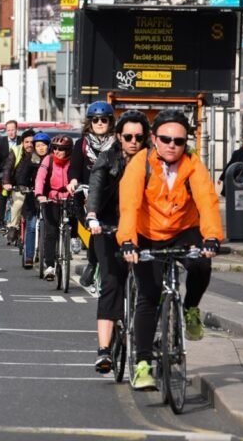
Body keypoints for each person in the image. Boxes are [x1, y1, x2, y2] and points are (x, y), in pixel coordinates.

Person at [117, 109, 223, 390]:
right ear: (154, 139)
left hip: (183, 230)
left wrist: (211, 237)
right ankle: (142, 366)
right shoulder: (140, 164)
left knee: (201, 263)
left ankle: (190, 309)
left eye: (179, 140)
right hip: (146, 233)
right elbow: (129, 204)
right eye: (166, 139)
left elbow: (207, 201)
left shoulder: (193, 164)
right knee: (149, 296)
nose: (172, 145)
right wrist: (128, 241)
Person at [84, 110, 151, 373]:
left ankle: (151, 337)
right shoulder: (107, 158)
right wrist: (92, 215)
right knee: (112, 282)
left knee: (150, 283)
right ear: (119, 137)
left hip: (142, 228)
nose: (133, 141)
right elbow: (97, 185)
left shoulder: (153, 161)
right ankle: (104, 350)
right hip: (108, 225)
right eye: (128, 136)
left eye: (139, 136)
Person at [68, 101, 116, 285]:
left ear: (110, 122)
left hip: (110, 195)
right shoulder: (81, 144)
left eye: (104, 120)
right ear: (90, 122)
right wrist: (73, 181)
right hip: (87, 194)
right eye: (95, 120)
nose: (100, 123)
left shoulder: (117, 145)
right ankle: (92, 262)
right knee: (96, 230)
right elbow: (74, 168)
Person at [35, 134, 75, 281]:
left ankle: (73, 241)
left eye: (62, 149)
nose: (57, 151)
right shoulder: (48, 159)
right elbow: (40, 177)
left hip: (69, 196)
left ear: (68, 150)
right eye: (55, 148)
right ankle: (50, 266)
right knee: (51, 232)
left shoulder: (72, 161)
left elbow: (79, 175)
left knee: (75, 220)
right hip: (51, 198)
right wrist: (40, 194)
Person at [15, 131, 51, 263]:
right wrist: (23, 187)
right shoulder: (30, 160)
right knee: (31, 226)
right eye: (38, 145)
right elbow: (21, 176)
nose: (41, 148)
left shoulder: (51, 159)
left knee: (50, 228)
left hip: (48, 198)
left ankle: (49, 257)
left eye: (43, 145)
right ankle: (29, 256)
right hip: (32, 198)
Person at [1, 129, 37, 245]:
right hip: (17, 185)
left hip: (35, 188)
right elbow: (7, 168)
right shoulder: (16, 151)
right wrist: (6, 182)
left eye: (32, 142)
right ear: (22, 143)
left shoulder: (38, 153)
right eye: (26, 142)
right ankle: (13, 227)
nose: (29, 145)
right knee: (18, 202)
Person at [0, 120, 20, 232]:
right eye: (8, 130)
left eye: (12, 130)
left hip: (17, 172)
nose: (10, 132)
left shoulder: (21, 141)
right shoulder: (1, 141)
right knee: (3, 195)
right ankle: (0, 220)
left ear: (16, 129)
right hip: (3, 173)